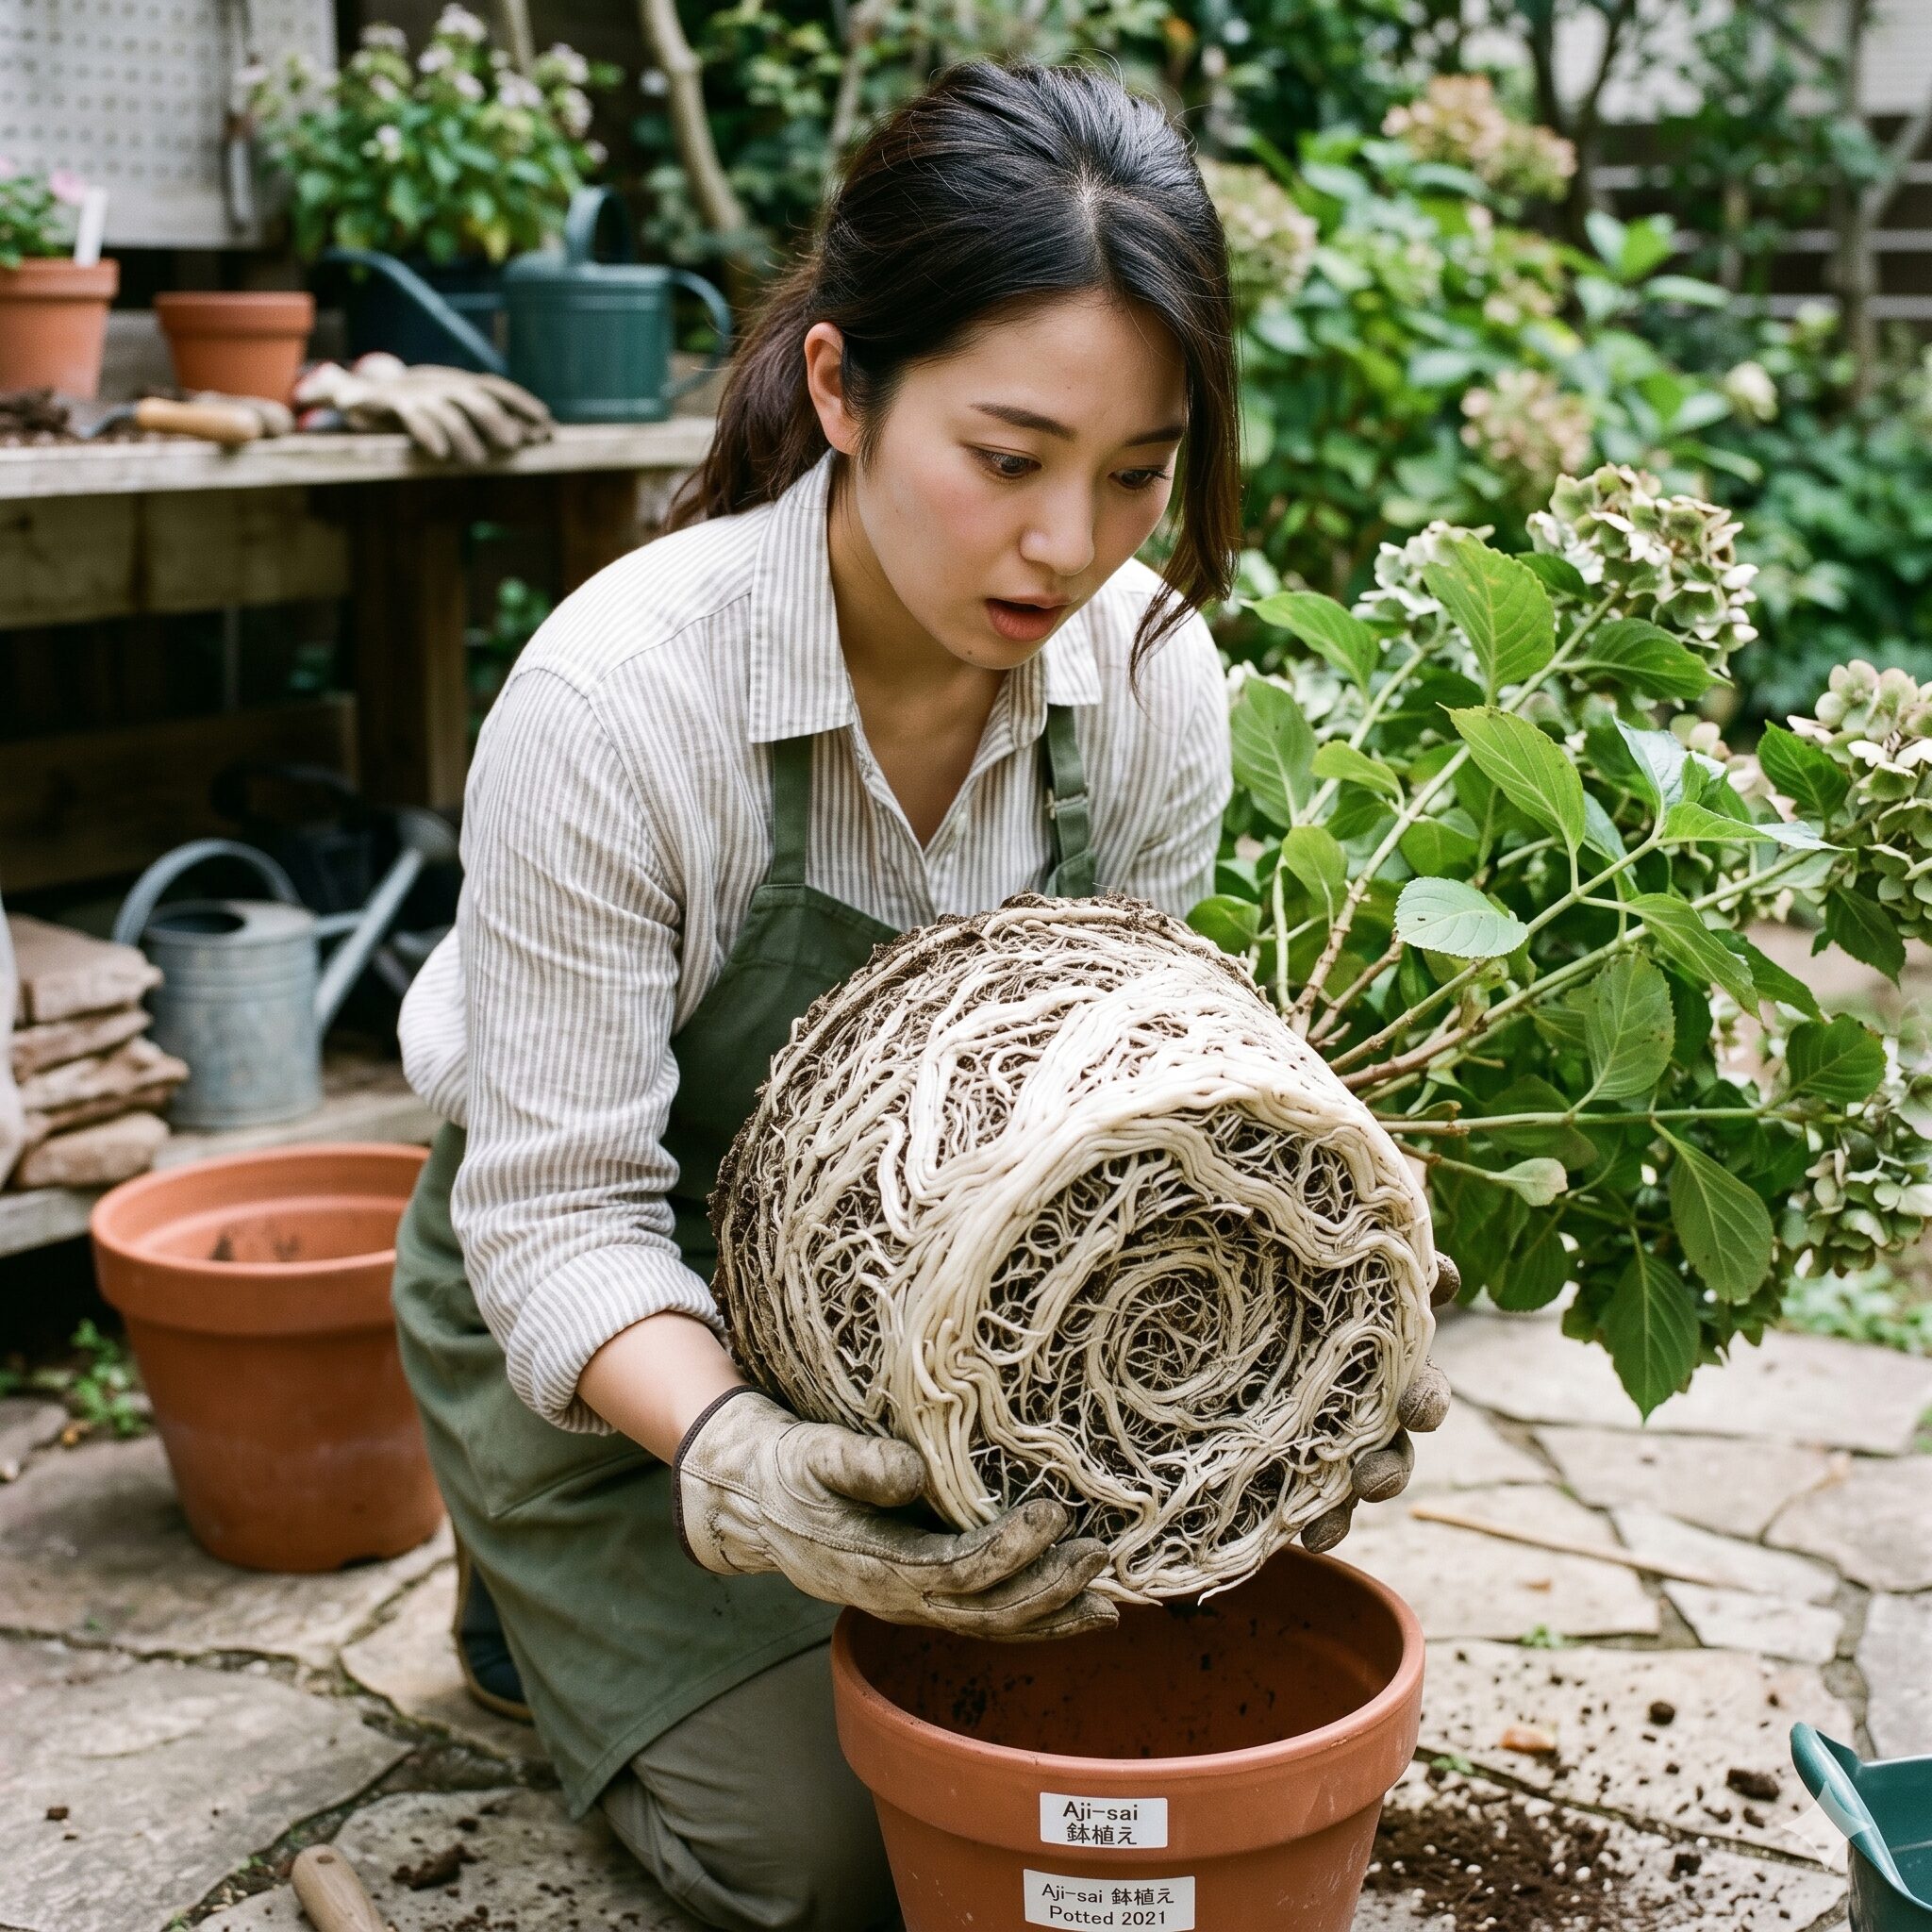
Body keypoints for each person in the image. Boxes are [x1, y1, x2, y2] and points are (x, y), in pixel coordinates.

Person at [391, 60, 1446, 1932]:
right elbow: (559, 1214)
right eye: (1010, 457)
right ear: (840, 392)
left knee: (1124, 1703)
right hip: (630, 1341)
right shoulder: (624, 700)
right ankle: (527, 1572)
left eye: (1139, 474)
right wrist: (734, 1453)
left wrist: (1310, 1307)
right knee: (832, 1864)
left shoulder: (1144, 681)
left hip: (924, 1339)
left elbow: (1120, 1124)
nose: (1070, 544)